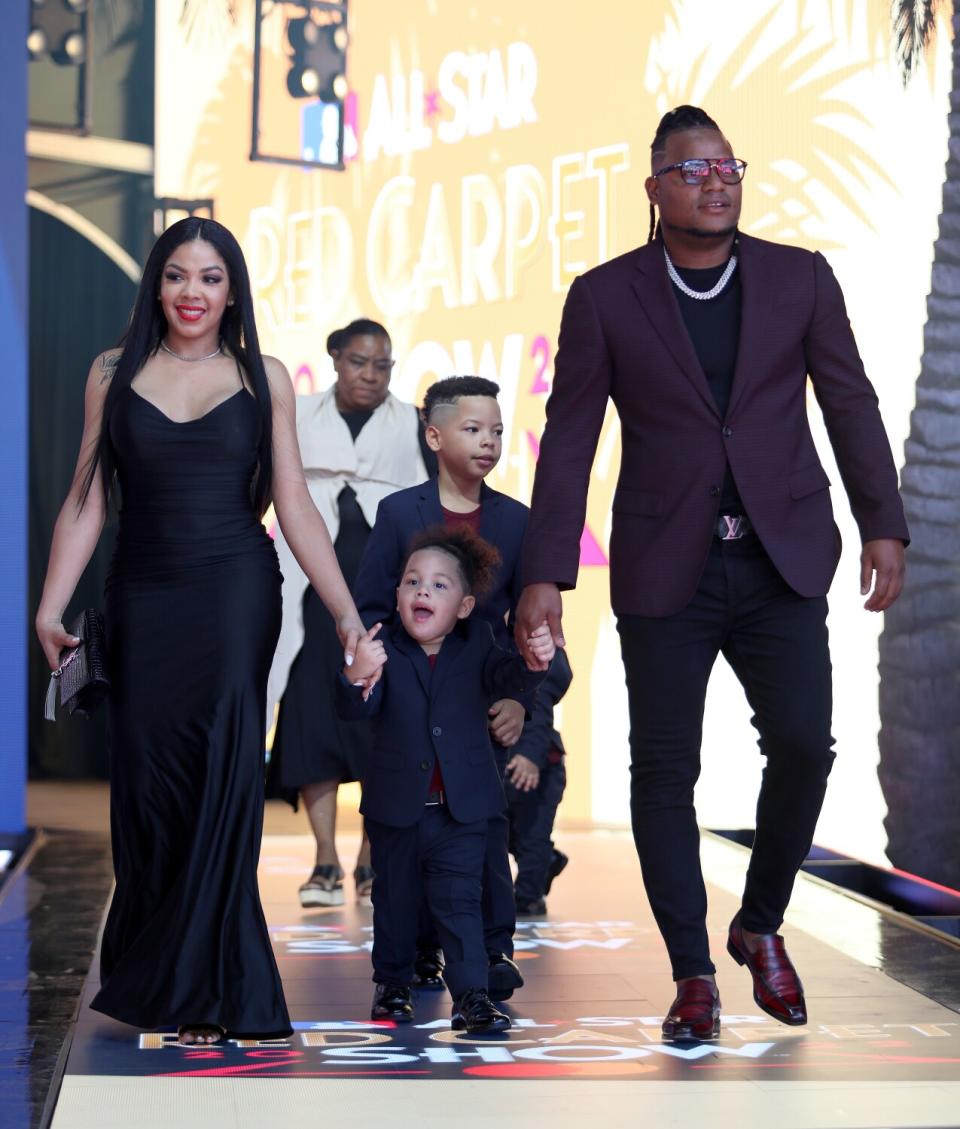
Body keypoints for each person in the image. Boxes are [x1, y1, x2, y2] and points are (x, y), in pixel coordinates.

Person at [515, 105, 909, 1042]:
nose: (715, 179)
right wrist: (545, 573)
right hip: (666, 567)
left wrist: (882, 523)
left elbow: (849, 403)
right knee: (664, 773)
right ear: (654, 189)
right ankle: (693, 973)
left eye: (727, 164)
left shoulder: (799, 278)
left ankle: (759, 922)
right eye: (692, 169)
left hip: (781, 557)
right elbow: (570, 440)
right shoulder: (606, 295)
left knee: (807, 747)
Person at [35, 217, 371, 1045]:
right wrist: (49, 606)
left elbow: (291, 501)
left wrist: (346, 613)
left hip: (233, 590)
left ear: (233, 289)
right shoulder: (111, 372)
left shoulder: (266, 377)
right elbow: (88, 497)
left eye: (211, 277)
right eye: (178, 275)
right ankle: (164, 970)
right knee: (149, 783)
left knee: (222, 770)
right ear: (157, 283)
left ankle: (209, 983)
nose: (193, 292)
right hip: (142, 594)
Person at [352, 375, 530, 1001]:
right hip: (414, 697)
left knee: (482, 837)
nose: (489, 442)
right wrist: (380, 676)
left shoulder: (516, 520)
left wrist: (521, 702)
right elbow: (371, 606)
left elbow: (531, 628)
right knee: (410, 841)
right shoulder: (401, 513)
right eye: (473, 429)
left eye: (498, 431)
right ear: (434, 435)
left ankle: (491, 952)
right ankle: (414, 957)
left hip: (487, 700)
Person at [336, 527, 555, 1031]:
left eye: (438, 586)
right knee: (395, 901)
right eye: (412, 582)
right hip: (397, 810)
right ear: (397, 596)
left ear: (463, 606)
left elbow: (510, 678)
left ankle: (472, 995)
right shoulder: (382, 646)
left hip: (461, 810)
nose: (422, 592)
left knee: (460, 903)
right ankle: (392, 984)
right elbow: (349, 708)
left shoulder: (478, 640)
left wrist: (534, 663)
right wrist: (354, 675)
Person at [266, 318, 432, 908]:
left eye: (383, 365)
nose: (371, 374)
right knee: (312, 716)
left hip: (383, 594)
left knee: (380, 719)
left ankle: (370, 860)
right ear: (335, 358)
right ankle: (324, 860)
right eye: (360, 361)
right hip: (308, 595)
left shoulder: (413, 423)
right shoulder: (295, 412)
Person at [506, 647, 573, 915]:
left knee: (532, 834)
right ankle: (546, 862)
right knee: (510, 833)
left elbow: (540, 705)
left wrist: (530, 756)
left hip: (538, 767)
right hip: (508, 760)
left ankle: (529, 897)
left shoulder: (538, 649)